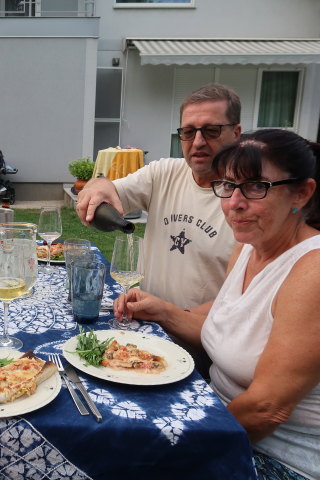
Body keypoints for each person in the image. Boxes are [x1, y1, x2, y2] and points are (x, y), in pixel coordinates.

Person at [113, 129, 320, 479]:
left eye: (256, 187)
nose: (234, 203)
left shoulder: (311, 272)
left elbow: (266, 408)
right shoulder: (248, 247)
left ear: (302, 192)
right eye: (227, 185)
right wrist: (162, 310)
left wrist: (178, 444)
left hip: (272, 454)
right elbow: (225, 332)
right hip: (215, 415)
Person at [76, 83, 241, 310]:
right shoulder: (163, 173)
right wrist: (97, 186)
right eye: (189, 132)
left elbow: (241, 301)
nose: (198, 142)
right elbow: (106, 189)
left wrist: (173, 317)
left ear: (237, 133)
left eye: (212, 130)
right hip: (148, 327)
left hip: (201, 336)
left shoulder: (246, 201)